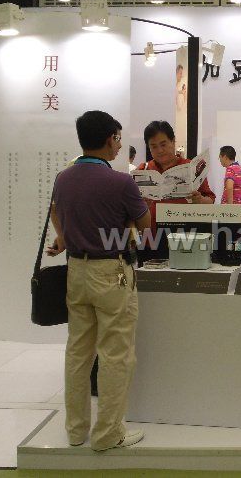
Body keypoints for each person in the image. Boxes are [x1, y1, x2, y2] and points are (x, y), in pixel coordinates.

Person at [47, 110, 151, 451]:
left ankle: (76, 430)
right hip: (112, 272)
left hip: (76, 271)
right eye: (118, 139)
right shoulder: (121, 182)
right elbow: (146, 227)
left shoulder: (63, 178)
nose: (119, 146)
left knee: (78, 352)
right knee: (115, 354)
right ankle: (108, 434)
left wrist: (64, 238)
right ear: (110, 140)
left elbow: (55, 212)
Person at [136, 120, 216, 260]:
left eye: (163, 144)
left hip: (186, 237)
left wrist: (200, 200)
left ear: (173, 141)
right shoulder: (143, 170)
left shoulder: (190, 168)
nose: (159, 150)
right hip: (151, 239)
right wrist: (142, 205)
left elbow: (210, 201)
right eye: (153, 146)